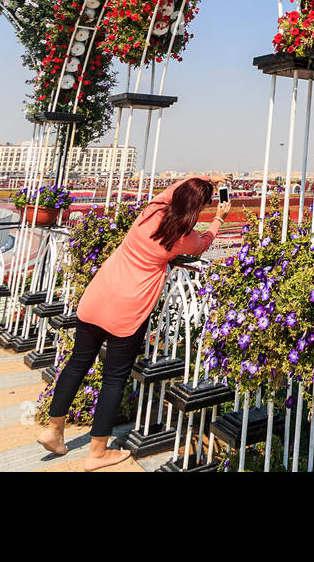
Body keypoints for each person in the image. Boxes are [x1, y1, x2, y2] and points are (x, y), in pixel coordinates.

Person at [36, 174, 230, 470]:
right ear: (196, 209)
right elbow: (203, 244)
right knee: (114, 378)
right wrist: (219, 218)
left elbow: (171, 191)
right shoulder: (181, 237)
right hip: (128, 310)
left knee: (77, 363)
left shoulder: (149, 213)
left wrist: (206, 178)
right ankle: (98, 452)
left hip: (97, 296)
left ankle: (53, 430)